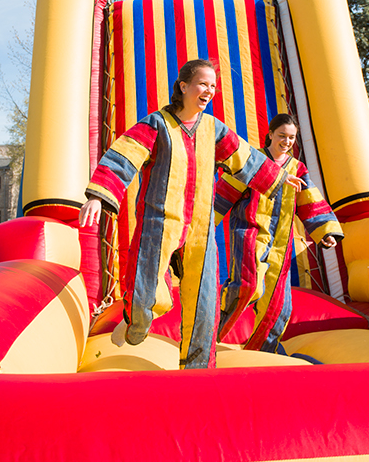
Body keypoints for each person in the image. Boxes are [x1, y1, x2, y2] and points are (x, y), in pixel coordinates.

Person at [79, 59, 304, 369]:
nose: (209, 91)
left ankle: (198, 371)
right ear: (183, 86)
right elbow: (125, 154)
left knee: (205, 305)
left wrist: (277, 177)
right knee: (144, 295)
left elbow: (244, 156)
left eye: (212, 86)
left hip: (200, 228)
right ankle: (136, 322)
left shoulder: (213, 129)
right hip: (159, 223)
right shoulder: (156, 124)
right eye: (202, 84)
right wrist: (97, 196)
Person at [215, 113, 343, 353]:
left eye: (291, 137)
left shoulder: (297, 168)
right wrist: (205, 222)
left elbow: (309, 201)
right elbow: (225, 192)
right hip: (250, 233)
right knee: (249, 286)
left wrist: (325, 231)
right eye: (282, 135)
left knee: (278, 306)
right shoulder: (253, 161)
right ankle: (212, 333)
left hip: (281, 243)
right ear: (270, 134)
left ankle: (262, 350)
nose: (286, 141)